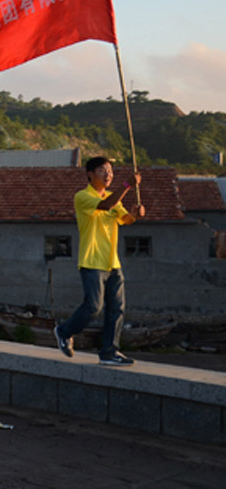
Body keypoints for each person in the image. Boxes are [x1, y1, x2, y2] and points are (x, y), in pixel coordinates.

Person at [54, 157, 146, 366]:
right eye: (102, 171)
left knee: (117, 308)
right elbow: (106, 205)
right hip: (92, 260)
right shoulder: (83, 196)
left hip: (112, 262)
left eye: (110, 171)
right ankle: (64, 331)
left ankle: (109, 352)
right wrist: (127, 185)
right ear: (90, 175)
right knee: (93, 306)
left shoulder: (115, 199)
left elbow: (124, 219)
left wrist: (136, 214)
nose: (108, 175)